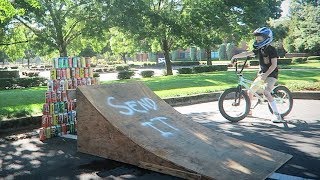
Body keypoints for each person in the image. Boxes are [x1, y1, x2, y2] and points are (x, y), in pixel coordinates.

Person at [248, 27, 285, 123]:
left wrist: (265, 75)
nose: (257, 41)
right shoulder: (260, 49)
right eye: (257, 39)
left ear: (267, 39)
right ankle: (249, 111)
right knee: (250, 91)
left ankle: (277, 115)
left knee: (266, 92)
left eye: (260, 39)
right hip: (262, 74)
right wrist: (235, 56)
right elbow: (248, 53)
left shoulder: (271, 50)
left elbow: (274, 65)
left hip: (271, 74)